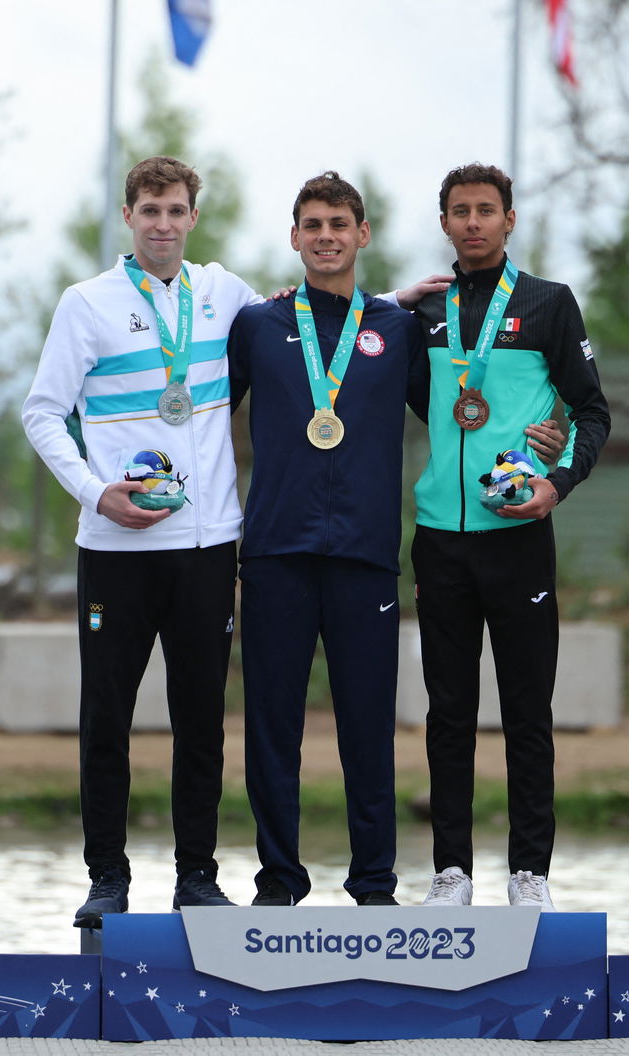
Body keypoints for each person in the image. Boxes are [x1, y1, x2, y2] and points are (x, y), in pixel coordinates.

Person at [22, 156, 256, 927]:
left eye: (176, 210)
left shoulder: (223, 294)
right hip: (115, 553)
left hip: (205, 549)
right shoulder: (85, 304)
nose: (163, 223)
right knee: (106, 718)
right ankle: (107, 881)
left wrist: (395, 302)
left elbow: (308, 322)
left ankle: (197, 878)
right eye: (150, 209)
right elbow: (43, 414)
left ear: (194, 218)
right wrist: (97, 493)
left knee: (201, 722)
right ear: (129, 216)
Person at [408, 163, 611, 910]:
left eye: (485, 211)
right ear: (444, 223)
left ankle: (530, 872)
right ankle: (450, 874)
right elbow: (408, 397)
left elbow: (593, 412)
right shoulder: (423, 313)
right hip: (441, 538)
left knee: (527, 711)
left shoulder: (548, 305)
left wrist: (557, 480)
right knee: (448, 712)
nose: (472, 223)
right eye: (458, 211)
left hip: (520, 532)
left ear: (509, 220)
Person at [227, 171, 429, 907]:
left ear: (362, 234)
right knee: (272, 730)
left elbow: (458, 413)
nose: (325, 236)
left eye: (338, 223)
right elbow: (200, 411)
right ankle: (279, 880)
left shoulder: (398, 330)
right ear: (294, 238)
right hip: (277, 551)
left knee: (367, 729)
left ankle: (374, 884)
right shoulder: (258, 325)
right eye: (311, 224)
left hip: (366, 557)